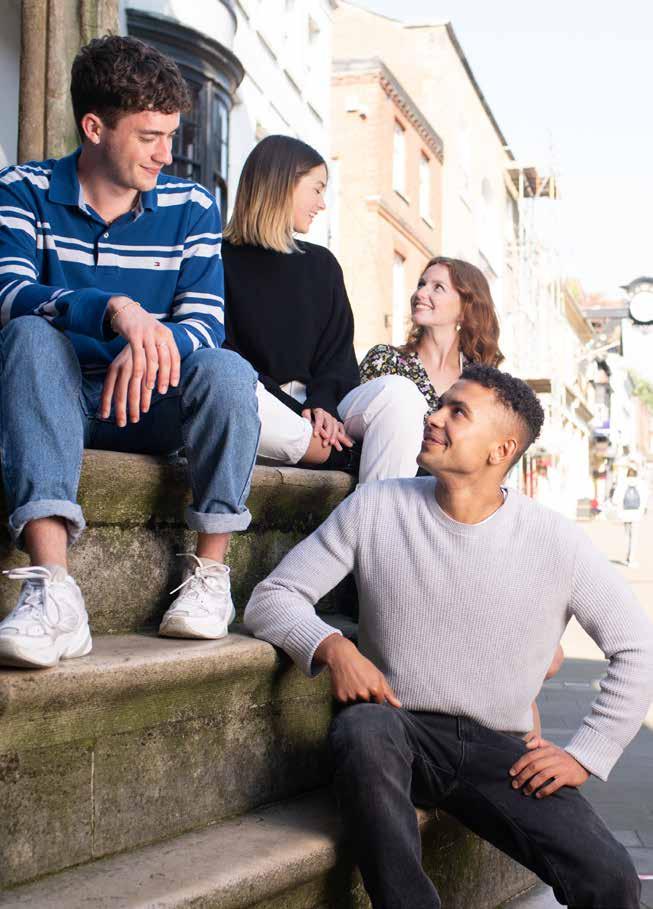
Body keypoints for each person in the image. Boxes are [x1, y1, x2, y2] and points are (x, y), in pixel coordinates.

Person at [245, 364, 653, 909]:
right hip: (399, 730)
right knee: (361, 728)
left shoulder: (555, 539)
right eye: (439, 404)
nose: (433, 417)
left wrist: (585, 754)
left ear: (500, 450)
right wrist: (333, 647)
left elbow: (637, 648)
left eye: (457, 412)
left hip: (502, 752)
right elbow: (272, 596)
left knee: (613, 879)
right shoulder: (376, 505)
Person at [0, 36, 260, 669]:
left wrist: (148, 347)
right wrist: (113, 308)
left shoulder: (192, 206)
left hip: (151, 403)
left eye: (171, 135)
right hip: (48, 397)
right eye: (149, 137)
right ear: (94, 128)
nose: (166, 154)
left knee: (228, 371)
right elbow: (8, 294)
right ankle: (54, 592)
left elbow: (206, 321)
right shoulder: (23, 189)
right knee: (29, 336)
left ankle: (208, 578)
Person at [222, 135, 360, 472]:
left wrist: (323, 404)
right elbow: (222, 352)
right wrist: (295, 414)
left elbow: (338, 356)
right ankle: (336, 455)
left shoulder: (322, 265)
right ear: (283, 184)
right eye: (317, 189)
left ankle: (331, 454)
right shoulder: (216, 258)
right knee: (229, 387)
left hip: (314, 413)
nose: (322, 204)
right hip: (257, 406)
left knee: (395, 396)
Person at [337, 256, 502, 483]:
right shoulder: (385, 359)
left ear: (465, 309)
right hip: (384, 484)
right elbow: (350, 431)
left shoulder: (478, 380)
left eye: (438, 287)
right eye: (421, 284)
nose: (420, 293)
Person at [612, 467, 648, 568]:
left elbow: (615, 499)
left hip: (625, 514)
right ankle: (631, 559)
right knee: (634, 537)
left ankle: (627, 557)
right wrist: (642, 510)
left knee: (627, 535)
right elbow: (645, 498)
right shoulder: (641, 484)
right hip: (636, 514)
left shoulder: (622, 483)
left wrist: (618, 508)